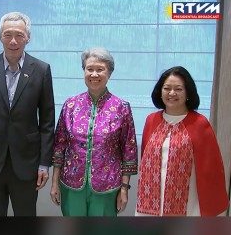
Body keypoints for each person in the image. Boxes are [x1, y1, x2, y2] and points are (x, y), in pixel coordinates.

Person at [0, 11, 55, 216]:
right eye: (7, 35)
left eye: (19, 35)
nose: (13, 41)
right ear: (0, 37)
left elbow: (47, 122)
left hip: (27, 162)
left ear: (28, 37)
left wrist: (44, 163)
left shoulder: (41, 70)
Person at [49, 47, 138, 216]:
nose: (94, 74)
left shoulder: (121, 107)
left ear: (109, 73)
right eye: (90, 69)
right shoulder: (70, 105)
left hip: (107, 186)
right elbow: (59, 146)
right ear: (84, 71)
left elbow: (129, 150)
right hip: (71, 184)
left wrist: (125, 189)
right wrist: (54, 182)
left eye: (100, 69)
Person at [135, 66, 229, 216]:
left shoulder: (199, 123)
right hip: (150, 200)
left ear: (187, 93)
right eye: (167, 88)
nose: (172, 93)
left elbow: (211, 168)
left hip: (187, 200)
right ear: (160, 92)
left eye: (178, 89)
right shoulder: (151, 120)